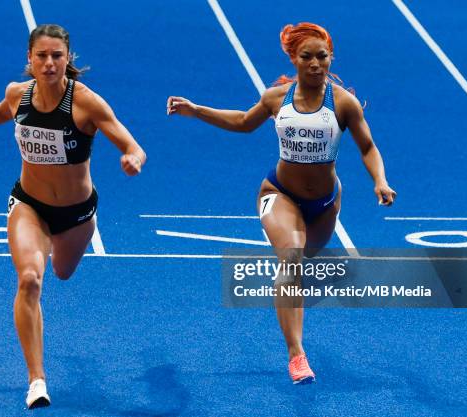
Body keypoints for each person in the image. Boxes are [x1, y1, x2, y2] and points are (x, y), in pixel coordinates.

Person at [0, 24, 146, 407]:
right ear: (29, 59)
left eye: (56, 56)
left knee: (62, 271)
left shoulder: (87, 103)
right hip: (28, 204)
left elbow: (133, 145)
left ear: (67, 60)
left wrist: (132, 160)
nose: (48, 63)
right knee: (29, 279)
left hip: (77, 214)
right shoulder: (18, 94)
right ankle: (37, 381)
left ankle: (72, 241)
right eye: (41, 56)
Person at [167, 22, 395, 384]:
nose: (316, 64)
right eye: (307, 57)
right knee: (291, 258)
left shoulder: (344, 103)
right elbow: (243, 122)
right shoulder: (278, 99)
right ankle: (296, 355)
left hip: (325, 202)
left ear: (330, 57)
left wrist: (380, 181)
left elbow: (367, 147)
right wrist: (197, 110)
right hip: (279, 193)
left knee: (301, 263)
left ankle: (291, 296)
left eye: (323, 56)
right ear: (294, 59)